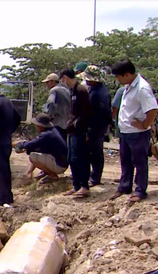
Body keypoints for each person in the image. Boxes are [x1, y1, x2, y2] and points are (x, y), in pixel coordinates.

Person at [109, 59, 158, 203]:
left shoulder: (142, 88)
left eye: (119, 76)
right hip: (125, 132)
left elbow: (153, 108)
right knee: (126, 161)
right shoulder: (129, 86)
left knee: (139, 162)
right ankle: (125, 186)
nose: (118, 80)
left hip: (137, 133)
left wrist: (145, 125)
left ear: (126, 74)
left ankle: (140, 190)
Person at [0, 80, 21, 206]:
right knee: (5, 169)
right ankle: (8, 197)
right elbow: (18, 118)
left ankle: (0, 199)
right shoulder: (7, 101)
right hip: (6, 139)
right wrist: (8, 131)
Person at [60, 68, 92, 198]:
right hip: (71, 130)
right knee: (72, 159)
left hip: (79, 130)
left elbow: (87, 112)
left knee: (80, 158)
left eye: (63, 79)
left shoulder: (80, 91)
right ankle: (76, 185)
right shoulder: (72, 91)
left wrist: (82, 127)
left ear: (66, 78)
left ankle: (84, 186)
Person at [13, 113, 68, 184]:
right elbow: (36, 146)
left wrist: (19, 145)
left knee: (33, 157)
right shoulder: (52, 131)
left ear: (41, 126)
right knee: (36, 154)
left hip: (59, 165)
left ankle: (52, 175)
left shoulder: (46, 135)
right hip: (62, 162)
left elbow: (31, 144)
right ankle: (32, 172)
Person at [85, 65, 112, 187]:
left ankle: (95, 177)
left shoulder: (101, 93)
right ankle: (92, 176)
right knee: (91, 153)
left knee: (96, 153)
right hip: (93, 126)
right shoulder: (94, 89)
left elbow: (102, 113)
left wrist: (95, 129)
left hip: (96, 127)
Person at [41, 73, 71, 141]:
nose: (47, 84)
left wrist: (49, 116)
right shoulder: (66, 90)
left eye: (47, 82)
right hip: (67, 123)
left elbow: (51, 102)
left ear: (52, 81)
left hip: (57, 123)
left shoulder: (53, 90)